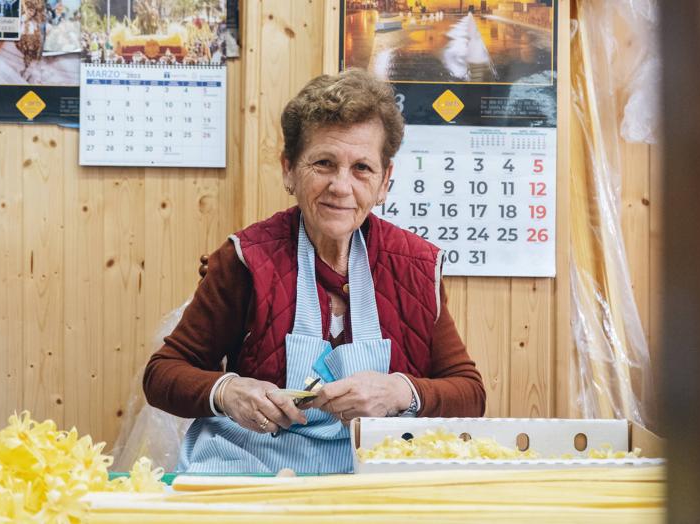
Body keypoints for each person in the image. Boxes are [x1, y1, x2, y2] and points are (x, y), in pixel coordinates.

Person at [143, 68, 486, 474]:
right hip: (254, 475)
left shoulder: (414, 265)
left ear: (384, 182)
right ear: (289, 169)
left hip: (378, 479)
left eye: (362, 168)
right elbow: (163, 373)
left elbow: (470, 393)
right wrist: (229, 391)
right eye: (323, 163)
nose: (342, 186)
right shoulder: (245, 259)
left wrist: (399, 392)